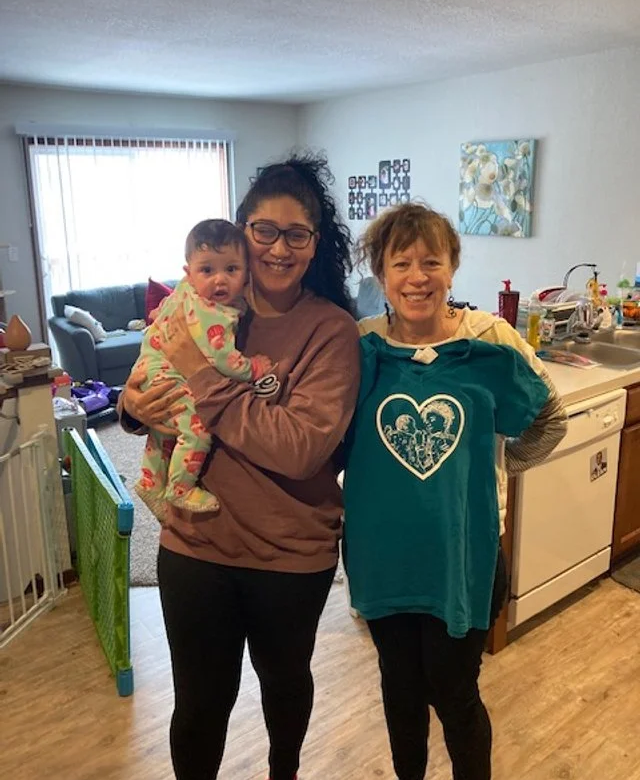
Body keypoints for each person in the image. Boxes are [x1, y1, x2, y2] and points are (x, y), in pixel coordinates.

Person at [119, 155, 360, 780]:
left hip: (290, 552)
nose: (278, 248)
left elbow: (301, 447)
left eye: (296, 234)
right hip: (196, 545)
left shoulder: (331, 331)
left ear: (314, 245)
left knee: (284, 691)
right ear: (240, 233)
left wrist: (204, 382)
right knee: (199, 706)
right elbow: (150, 369)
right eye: (263, 231)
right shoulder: (200, 301)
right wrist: (130, 404)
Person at [343, 202, 568, 780]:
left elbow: (549, 420)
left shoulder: (488, 344)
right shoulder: (359, 351)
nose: (417, 277)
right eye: (401, 264)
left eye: (431, 262)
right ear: (381, 276)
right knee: (399, 688)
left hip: (464, 555)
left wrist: (485, 479)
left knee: (454, 691)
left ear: (452, 267)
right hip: (383, 558)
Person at [133, 218, 273, 520]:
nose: (219, 280)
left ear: (246, 273)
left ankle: (149, 481)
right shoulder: (213, 313)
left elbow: (164, 310)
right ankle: (180, 488)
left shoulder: (185, 290)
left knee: (164, 428)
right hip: (167, 373)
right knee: (195, 429)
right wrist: (255, 367)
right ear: (189, 272)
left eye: (231, 270)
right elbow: (223, 360)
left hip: (149, 366)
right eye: (207, 270)